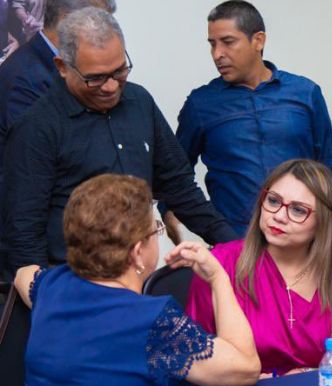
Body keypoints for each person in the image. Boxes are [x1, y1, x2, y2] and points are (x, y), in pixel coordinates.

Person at [1, 7, 238, 278]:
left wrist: (237, 249)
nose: (111, 86)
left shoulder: (140, 103)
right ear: (62, 68)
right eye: (95, 79)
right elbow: (23, 236)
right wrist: (49, 301)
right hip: (72, 288)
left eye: (119, 71)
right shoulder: (36, 127)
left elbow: (181, 189)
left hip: (138, 283)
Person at [13, 174, 260, 386]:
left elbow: (23, 275)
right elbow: (245, 367)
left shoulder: (50, 287)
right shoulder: (152, 322)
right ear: (138, 252)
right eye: (156, 231)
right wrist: (218, 278)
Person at [171, 0, 332, 237]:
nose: (217, 54)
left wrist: (330, 232)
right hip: (235, 245)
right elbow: (175, 176)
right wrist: (204, 228)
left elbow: (330, 168)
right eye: (212, 44)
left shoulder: (305, 93)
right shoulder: (201, 104)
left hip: (301, 243)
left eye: (228, 42)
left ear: (258, 40)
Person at [187, 159, 332, 376]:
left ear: (324, 220)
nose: (279, 216)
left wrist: (313, 375)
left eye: (297, 210)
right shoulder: (220, 263)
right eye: (273, 201)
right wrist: (252, 378)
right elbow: (194, 356)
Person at [0, 1, 117, 280]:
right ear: (67, 19)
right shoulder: (24, 78)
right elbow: (28, 182)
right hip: (46, 260)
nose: (109, 34)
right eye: (99, 22)